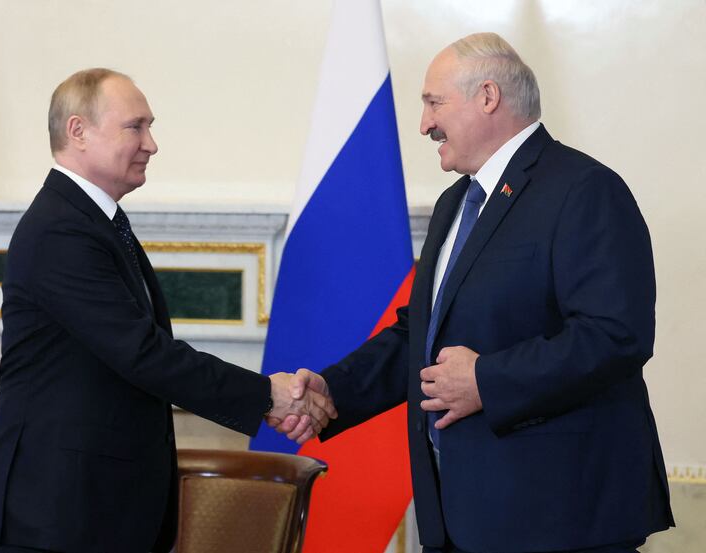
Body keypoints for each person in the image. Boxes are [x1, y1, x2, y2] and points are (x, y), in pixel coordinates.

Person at [272, 33, 674, 553]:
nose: (424, 124)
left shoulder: (584, 190)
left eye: (433, 103)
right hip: (463, 516)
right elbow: (421, 334)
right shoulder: (455, 203)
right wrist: (334, 391)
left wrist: (487, 379)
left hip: (560, 519)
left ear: (487, 97)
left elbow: (615, 336)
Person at [0, 68, 335, 553]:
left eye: (150, 126)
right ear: (78, 131)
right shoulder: (61, 230)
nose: (151, 144)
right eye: (135, 127)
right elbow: (144, 354)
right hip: (55, 517)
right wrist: (267, 394)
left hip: (89, 512)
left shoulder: (94, 221)